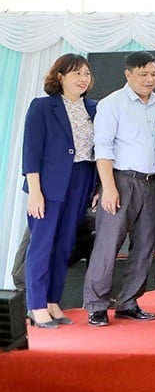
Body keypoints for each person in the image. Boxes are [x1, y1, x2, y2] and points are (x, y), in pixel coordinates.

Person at [83, 51, 155, 326]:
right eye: (143, 73)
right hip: (120, 181)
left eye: (153, 74)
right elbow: (103, 148)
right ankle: (96, 305)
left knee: (145, 246)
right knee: (108, 245)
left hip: (153, 183)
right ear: (128, 74)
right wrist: (107, 188)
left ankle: (128, 302)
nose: (149, 79)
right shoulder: (112, 104)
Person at [21, 54, 99, 328]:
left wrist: (98, 186)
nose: (83, 79)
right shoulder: (43, 107)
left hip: (81, 182)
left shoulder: (94, 108)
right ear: (60, 77)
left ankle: (53, 301)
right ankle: (36, 305)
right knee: (42, 244)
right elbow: (31, 150)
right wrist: (34, 191)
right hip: (47, 184)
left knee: (65, 244)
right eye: (76, 73)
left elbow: (99, 150)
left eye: (87, 74)